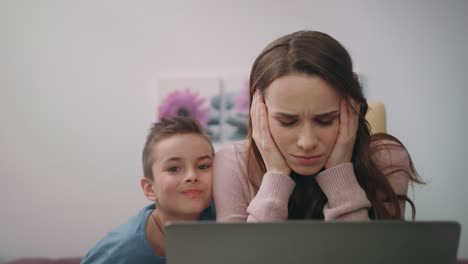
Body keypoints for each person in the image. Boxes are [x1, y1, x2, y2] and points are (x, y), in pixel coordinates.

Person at [213, 30, 423, 222]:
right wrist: (275, 176)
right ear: (259, 111)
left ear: (352, 109)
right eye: (287, 122)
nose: (307, 142)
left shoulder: (386, 158)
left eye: (325, 120)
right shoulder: (234, 162)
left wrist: (340, 173)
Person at [82, 117, 215, 263]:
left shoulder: (228, 218)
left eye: (203, 166)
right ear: (150, 188)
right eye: (174, 168)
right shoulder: (121, 250)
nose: (192, 176)